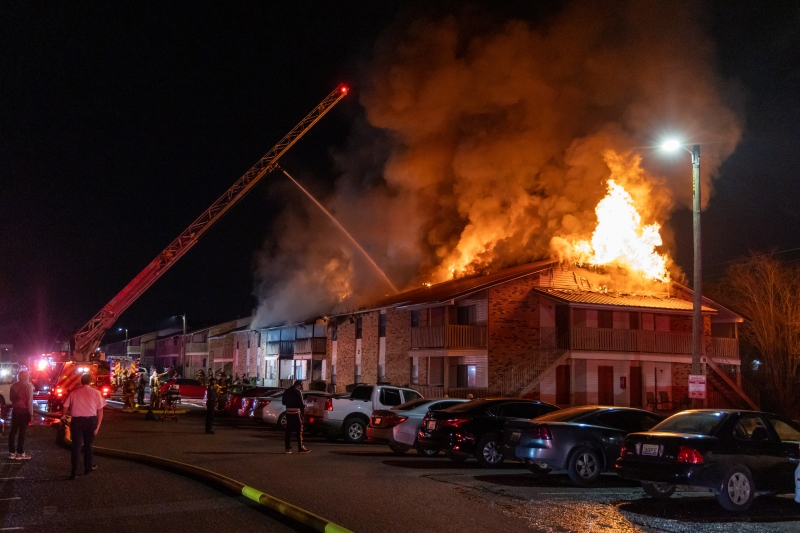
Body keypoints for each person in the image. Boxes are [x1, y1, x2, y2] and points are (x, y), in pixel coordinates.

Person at [62, 373, 105, 480]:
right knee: (88, 445)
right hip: (90, 421)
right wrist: (98, 425)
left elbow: (65, 405)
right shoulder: (96, 393)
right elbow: (100, 410)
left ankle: (74, 472)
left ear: (81, 381)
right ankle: (87, 467)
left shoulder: (74, 392)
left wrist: (63, 415)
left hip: (76, 421)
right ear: (90, 381)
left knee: (76, 446)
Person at [8, 369, 34, 460]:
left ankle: (12, 453)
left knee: (13, 432)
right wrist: (31, 415)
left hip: (15, 411)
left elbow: (11, 399)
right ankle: (20, 453)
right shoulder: (28, 386)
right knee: (22, 433)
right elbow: (29, 402)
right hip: (24, 412)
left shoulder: (13, 386)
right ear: (27, 377)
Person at [281, 380, 309, 454]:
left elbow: (283, 402)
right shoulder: (298, 391)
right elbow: (301, 403)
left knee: (288, 431)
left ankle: (287, 448)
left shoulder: (287, 391)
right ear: (299, 385)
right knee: (299, 430)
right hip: (296, 412)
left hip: (288, 412)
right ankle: (300, 447)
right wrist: (302, 415)